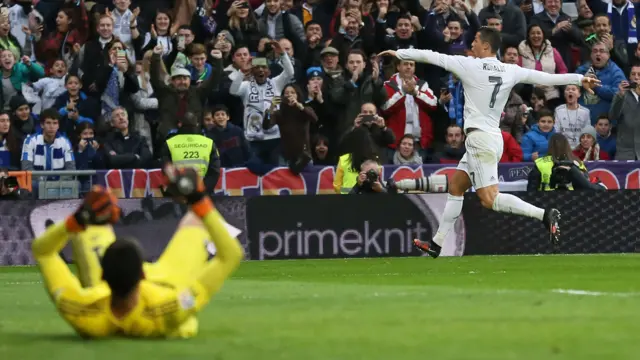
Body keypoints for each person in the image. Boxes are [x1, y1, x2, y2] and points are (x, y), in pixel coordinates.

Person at [378, 26, 600, 258]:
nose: (471, 44)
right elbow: (545, 77)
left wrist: (400, 53)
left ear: (485, 45)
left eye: (475, 40)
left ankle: (544, 214)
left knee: (490, 199)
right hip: (493, 137)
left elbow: (433, 57)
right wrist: (578, 78)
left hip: (479, 139)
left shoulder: (469, 65)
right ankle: (437, 243)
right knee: (456, 187)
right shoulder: (509, 70)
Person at [31, 165, 244, 338]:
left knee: (94, 223)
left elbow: (42, 251)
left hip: (105, 293)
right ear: (142, 274)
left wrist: (75, 221)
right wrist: (199, 200)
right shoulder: (169, 310)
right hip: (169, 280)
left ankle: (83, 225)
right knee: (198, 218)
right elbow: (231, 255)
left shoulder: (81, 311)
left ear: (103, 274)